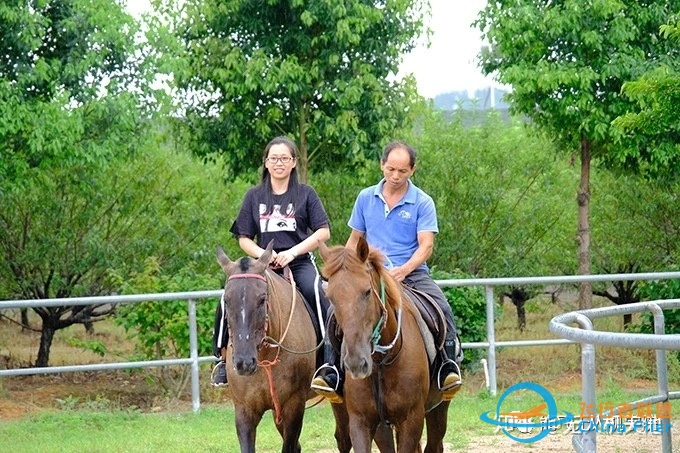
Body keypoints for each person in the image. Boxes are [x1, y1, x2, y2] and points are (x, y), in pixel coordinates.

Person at [311, 140, 463, 402]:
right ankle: (331, 369)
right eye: (390, 169)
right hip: (369, 273)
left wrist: (404, 270)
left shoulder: (422, 202)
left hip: (412, 275)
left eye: (402, 171)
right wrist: (345, 269)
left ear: (413, 170)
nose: (395, 176)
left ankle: (447, 366)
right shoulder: (365, 197)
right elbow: (354, 239)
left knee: (442, 306)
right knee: (333, 312)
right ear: (382, 165)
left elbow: (426, 245)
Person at [211, 136, 332, 386]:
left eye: (285, 158)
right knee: (229, 297)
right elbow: (243, 238)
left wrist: (293, 252)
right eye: (274, 158)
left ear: (293, 162)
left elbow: (323, 232)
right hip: (262, 267)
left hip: (298, 262)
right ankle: (221, 360)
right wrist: (261, 256)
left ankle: (328, 361)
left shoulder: (306, 194)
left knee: (318, 294)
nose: (279, 163)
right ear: (266, 163)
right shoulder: (254, 196)